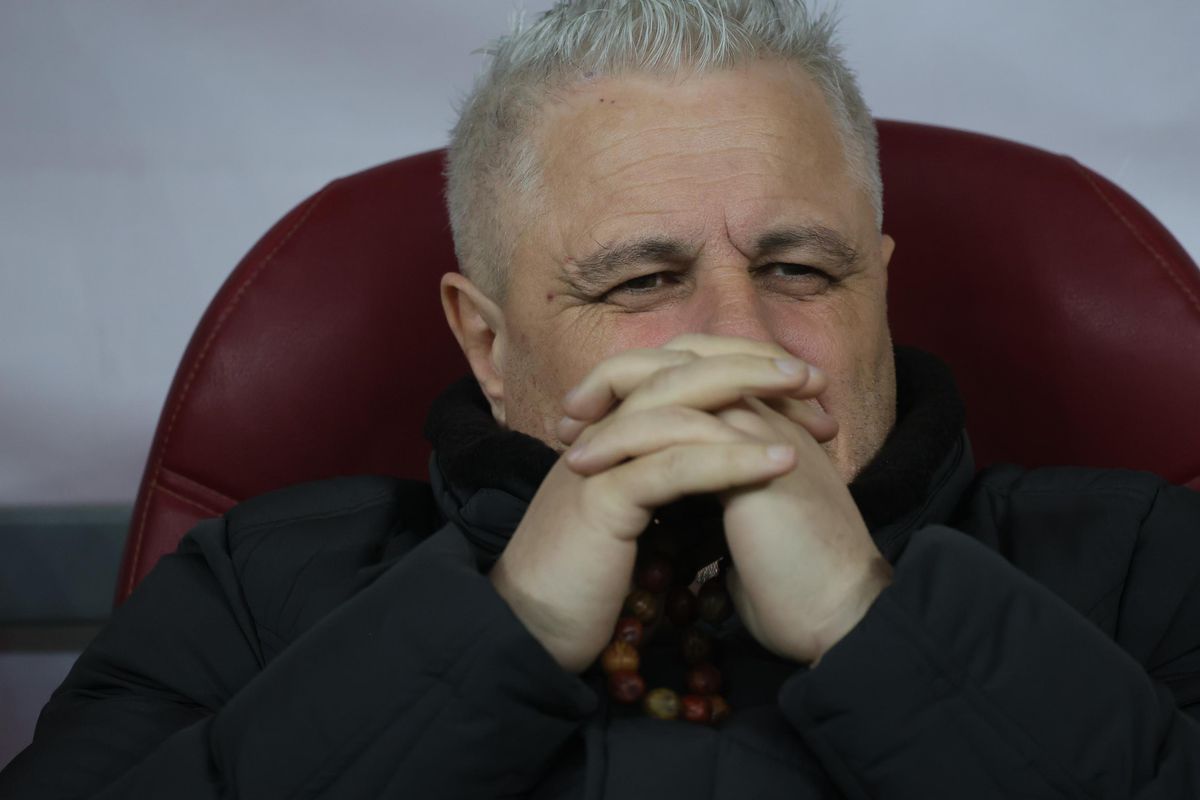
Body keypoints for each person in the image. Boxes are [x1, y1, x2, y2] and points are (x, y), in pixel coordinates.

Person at [3, 1, 1199, 797]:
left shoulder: (1145, 562)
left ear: (878, 289)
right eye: (641, 280)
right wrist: (502, 623)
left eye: (799, 268)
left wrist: (869, 616)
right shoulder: (253, 588)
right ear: (486, 341)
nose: (739, 335)